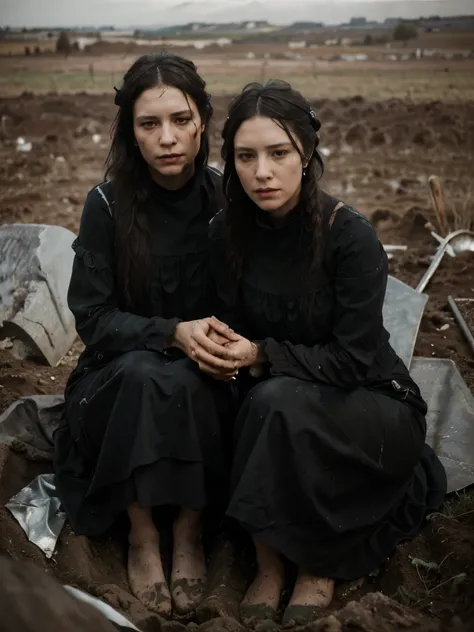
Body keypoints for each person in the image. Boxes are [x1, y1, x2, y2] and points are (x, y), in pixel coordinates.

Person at [193, 80, 448, 626]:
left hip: (370, 405)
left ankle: (318, 564)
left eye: (278, 153)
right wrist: (218, 347)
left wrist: (261, 353)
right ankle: (268, 564)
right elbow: (229, 331)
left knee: (275, 403)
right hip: (275, 400)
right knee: (251, 403)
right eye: (246, 156)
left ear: (306, 155)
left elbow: (355, 361)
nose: (262, 171)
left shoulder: (349, 238)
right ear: (231, 162)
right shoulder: (224, 236)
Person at [53, 52, 239, 618]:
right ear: (130, 132)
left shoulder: (225, 200)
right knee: (142, 374)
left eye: (181, 120)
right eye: (149, 123)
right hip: (117, 370)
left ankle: (187, 529)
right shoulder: (105, 206)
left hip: (204, 369)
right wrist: (169, 332)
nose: (167, 138)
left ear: (203, 120)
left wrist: (215, 343)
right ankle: (141, 533)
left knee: (190, 378)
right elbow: (93, 318)